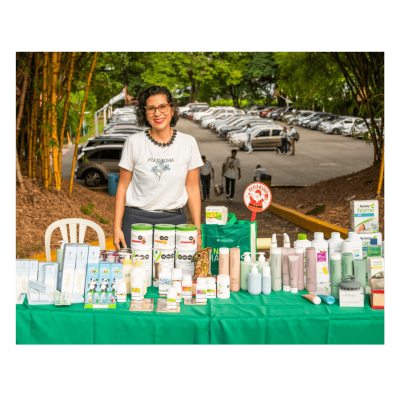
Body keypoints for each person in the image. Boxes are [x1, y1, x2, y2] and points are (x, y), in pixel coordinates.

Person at [114, 86, 203, 252]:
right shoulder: (133, 142)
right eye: (151, 108)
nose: (157, 113)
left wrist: (197, 231)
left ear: (171, 109)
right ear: (145, 112)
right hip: (136, 221)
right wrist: (116, 227)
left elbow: (192, 188)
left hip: (174, 222)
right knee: (134, 268)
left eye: (162, 106)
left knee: (174, 269)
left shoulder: (188, 143)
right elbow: (123, 186)